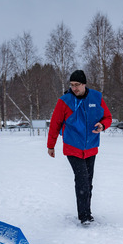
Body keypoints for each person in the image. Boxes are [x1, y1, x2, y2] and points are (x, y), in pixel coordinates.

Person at [47, 70, 112, 225]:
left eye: (77, 85)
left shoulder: (96, 98)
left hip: (91, 147)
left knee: (88, 181)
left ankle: (87, 212)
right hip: (72, 146)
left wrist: (103, 125)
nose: (74, 88)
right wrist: (51, 145)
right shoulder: (65, 101)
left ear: (84, 84)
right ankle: (84, 216)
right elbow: (55, 124)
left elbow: (107, 117)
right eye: (72, 85)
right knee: (82, 180)